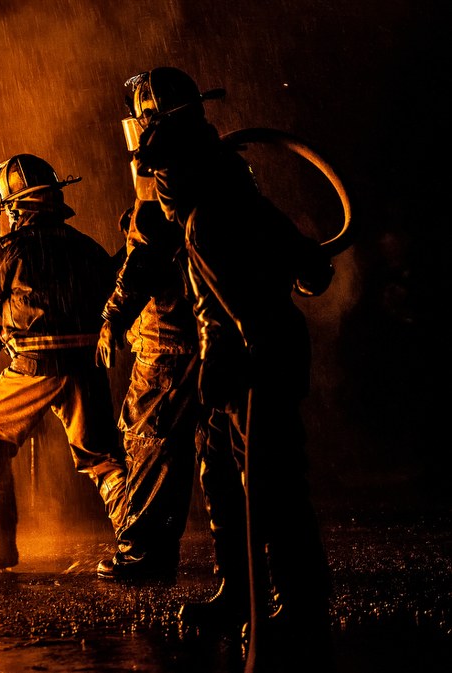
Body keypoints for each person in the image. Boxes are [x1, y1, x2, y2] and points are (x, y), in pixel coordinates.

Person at [123, 67, 336, 669]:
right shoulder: (219, 192)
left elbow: (230, 313)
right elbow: (313, 273)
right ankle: (239, 593)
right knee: (222, 476)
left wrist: (221, 365)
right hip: (248, 361)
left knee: (272, 487)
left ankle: (299, 607)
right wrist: (296, 262)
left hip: (255, 364)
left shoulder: (210, 210)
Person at [0, 153, 128, 573]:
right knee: (101, 457)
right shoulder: (87, 247)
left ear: (11, 206)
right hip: (87, 365)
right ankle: (138, 541)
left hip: (35, 366)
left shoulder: (12, 248)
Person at [93, 186, 202, 581]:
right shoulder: (221, 191)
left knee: (148, 442)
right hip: (212, 345)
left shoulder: (159, 197)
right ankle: (244, 566)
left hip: (166, 348)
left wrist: (113, 317)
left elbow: (141, 257)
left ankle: (142, 556)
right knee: (215, 456)